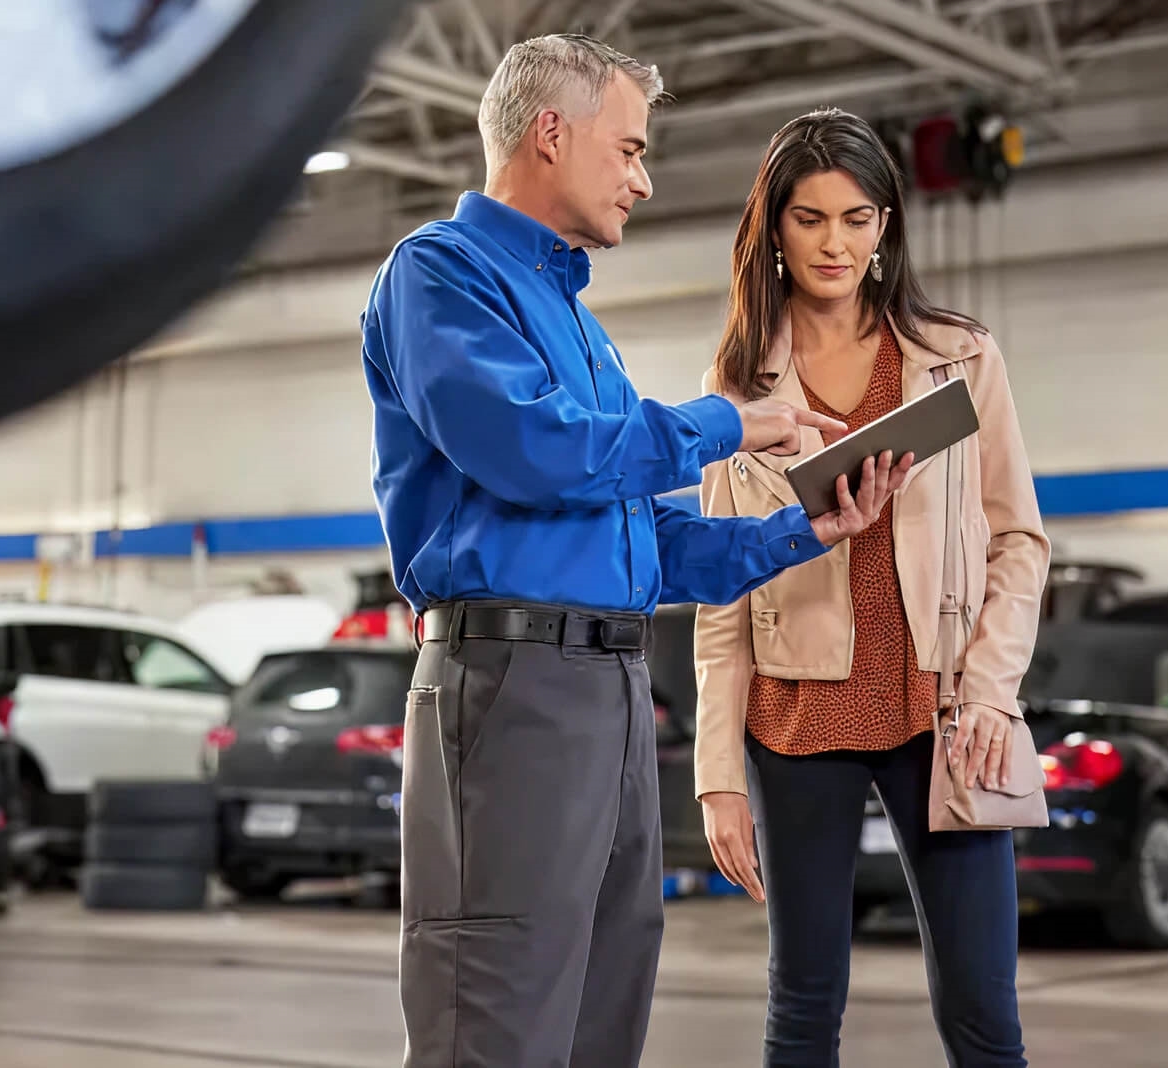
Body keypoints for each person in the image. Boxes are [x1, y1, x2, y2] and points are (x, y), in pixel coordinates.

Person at [359, 37, 912, 1068]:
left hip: (606, 689)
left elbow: (634, 535)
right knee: (498, 1008)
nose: (642, 179)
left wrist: (804, 529)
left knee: (601, 1010)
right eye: (628, 149)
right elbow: (536, 453)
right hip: (510, 685)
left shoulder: (579, 326)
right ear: (550, 135)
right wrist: (727, 423)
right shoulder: (439, 276)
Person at [693, 108, 1051, 1068]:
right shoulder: (734, 394)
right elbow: (721, 603)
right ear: (773, 229)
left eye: (856, 218)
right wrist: (719, 776)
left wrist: (990, 688)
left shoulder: (961, 358)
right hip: (795, 723)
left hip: (942, 714)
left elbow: (1019, 540)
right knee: (803, 1008)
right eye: (810, 219)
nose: (834, 243)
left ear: (886, 224)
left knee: (984, 1011)